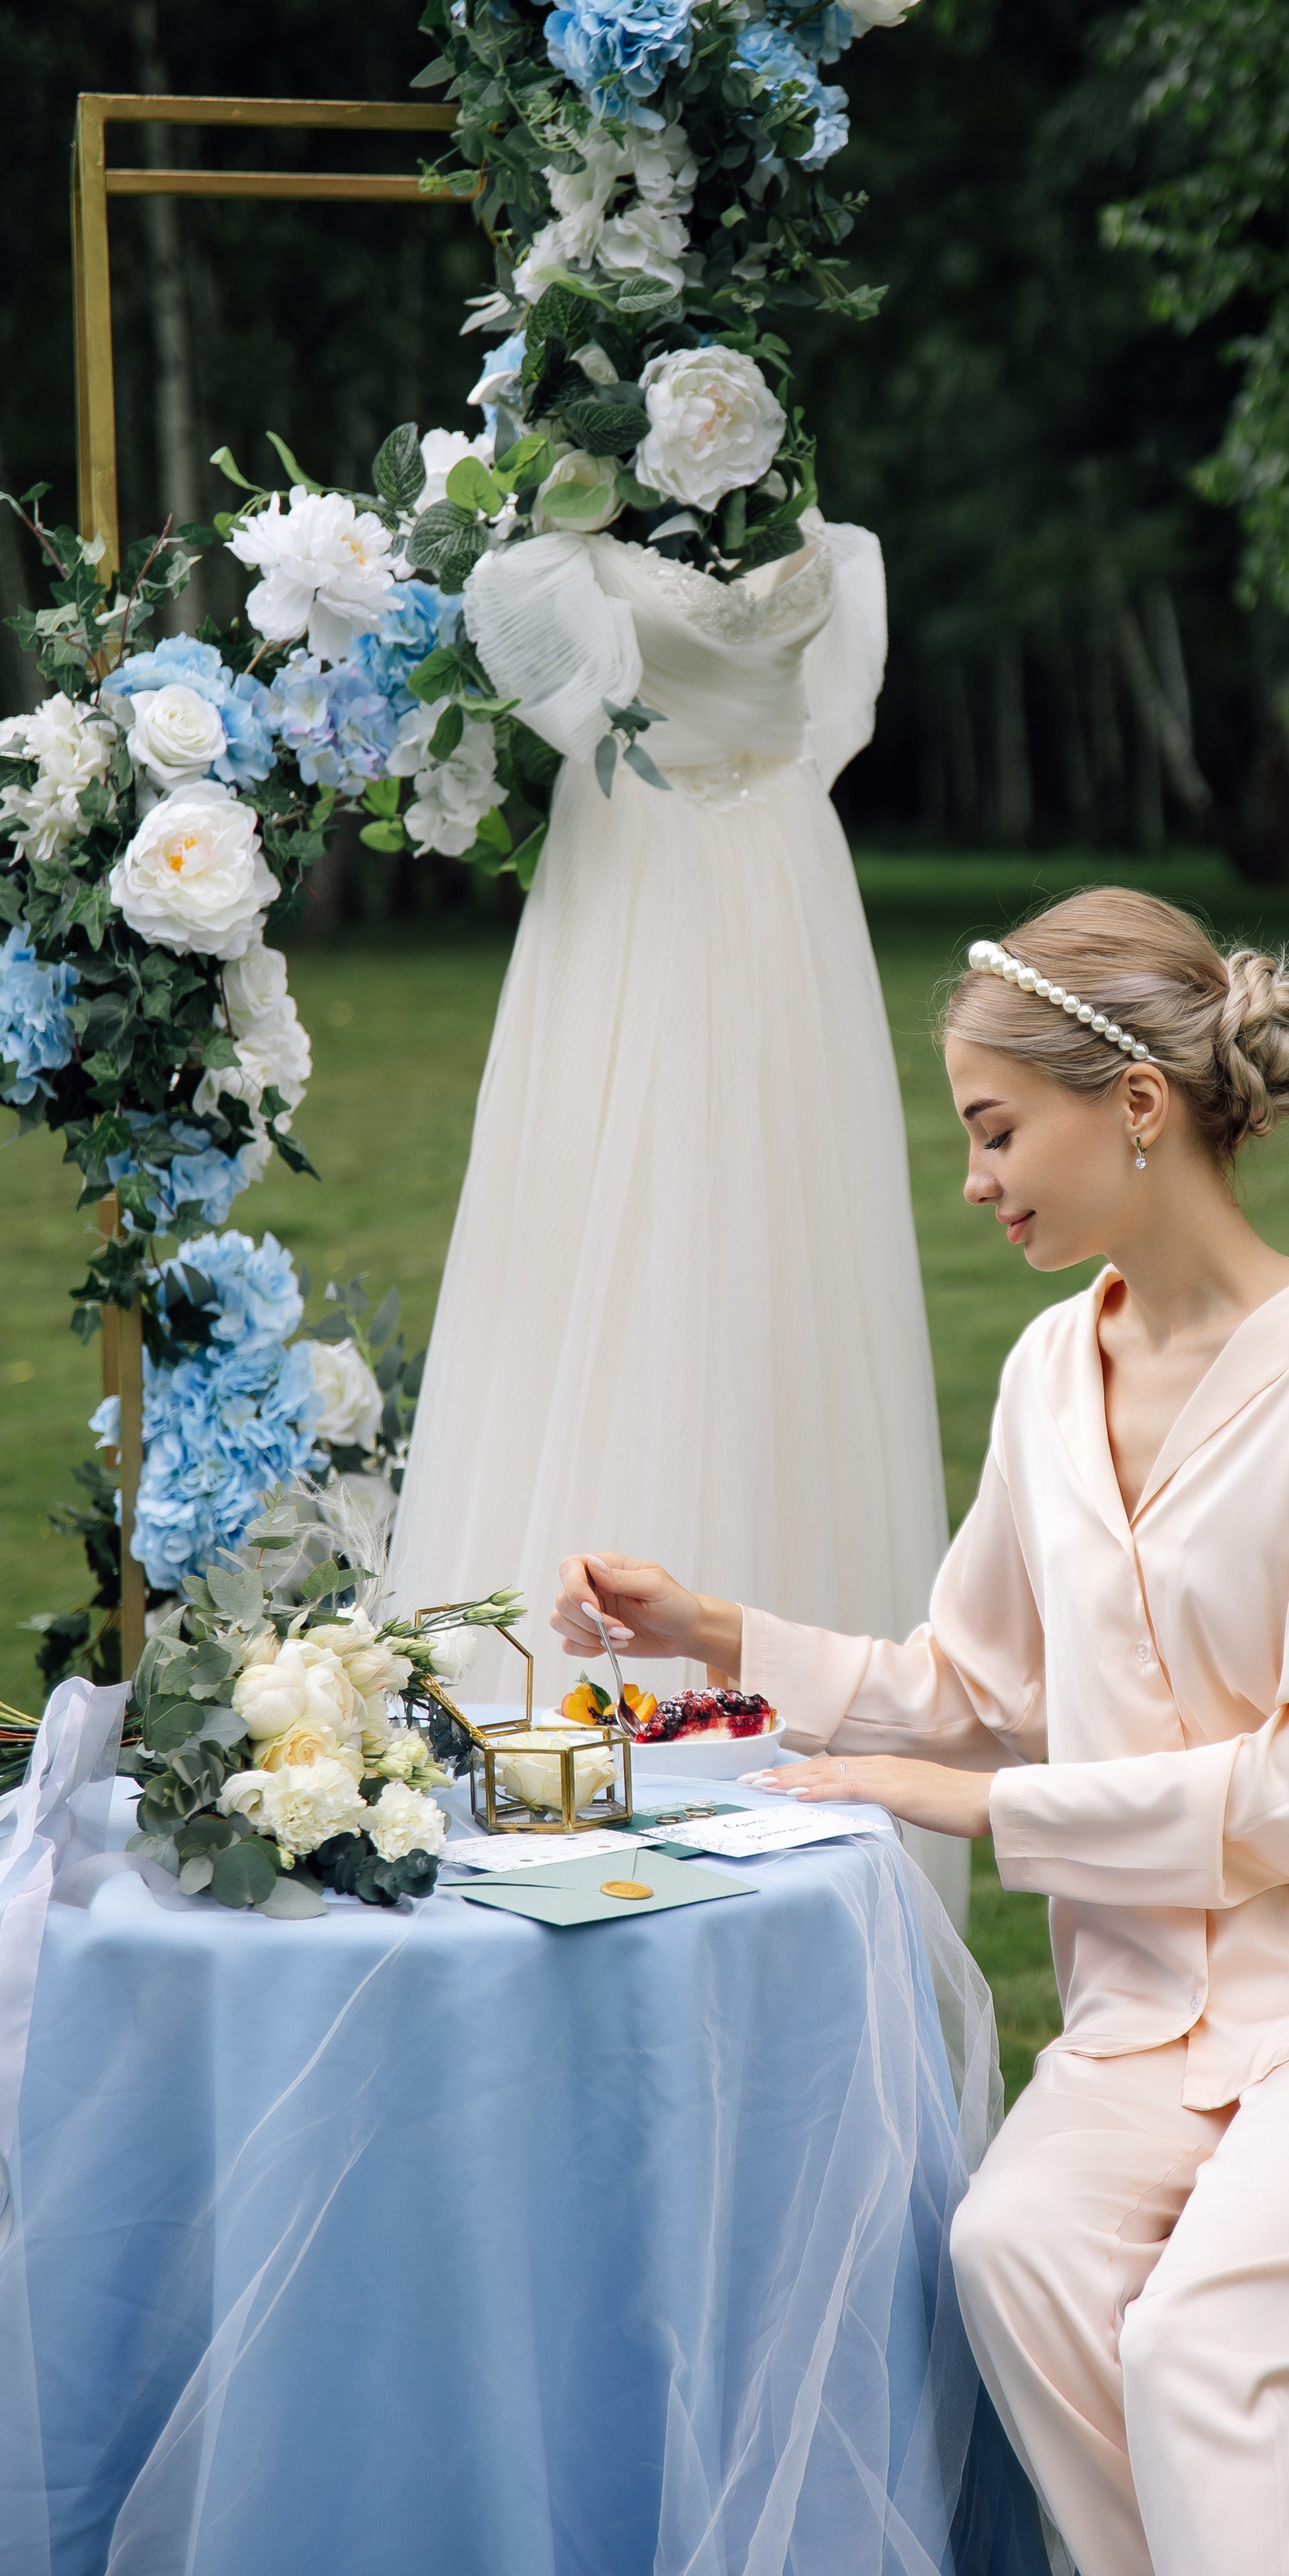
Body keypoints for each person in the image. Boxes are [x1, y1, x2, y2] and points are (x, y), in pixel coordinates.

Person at [551, 888, 1289, 2576]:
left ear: (1138, 1107)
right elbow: (977, 1675)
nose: (973, 1176)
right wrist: (719, 1636)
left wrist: (974, 1809)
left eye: (995, 1128)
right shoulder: (1043, 1369)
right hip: (1155, 2008)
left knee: (1200, 2337)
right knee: (1009, 2255)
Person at [384, 514, 948, 1737]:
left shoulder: (822, 546)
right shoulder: (554, 543)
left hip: (766, 899)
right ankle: (580, 1693)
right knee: (613, 1228)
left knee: (780, 1259)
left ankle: (780, 1691)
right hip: (667, 881)